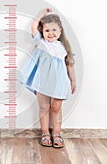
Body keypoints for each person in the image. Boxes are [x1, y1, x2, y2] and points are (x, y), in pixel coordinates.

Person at [18, 8, 76, 148]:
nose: (50, 33)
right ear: (42, 32)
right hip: (43, 82)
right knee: (44, 107)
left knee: (56, 108)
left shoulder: (64, 48)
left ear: (60, 31)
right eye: (47, 30)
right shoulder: (42, 43)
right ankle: (45, 133)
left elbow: (69, 65)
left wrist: (73, 80)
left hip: (60, 83)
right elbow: (33, 27)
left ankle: (56, 133)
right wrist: (41, 13)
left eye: (54, 30)